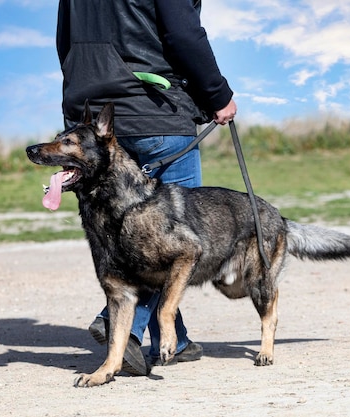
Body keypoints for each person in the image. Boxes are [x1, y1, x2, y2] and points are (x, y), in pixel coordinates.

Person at [56, 0, 237, 375]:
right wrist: (218, 95)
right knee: (178, 237)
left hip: (89, 117)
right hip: (155, 112)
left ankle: (178, 340)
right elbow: (183, 34)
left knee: (130, 240)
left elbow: (65, 43)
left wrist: (80, 101)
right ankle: (122, 322)